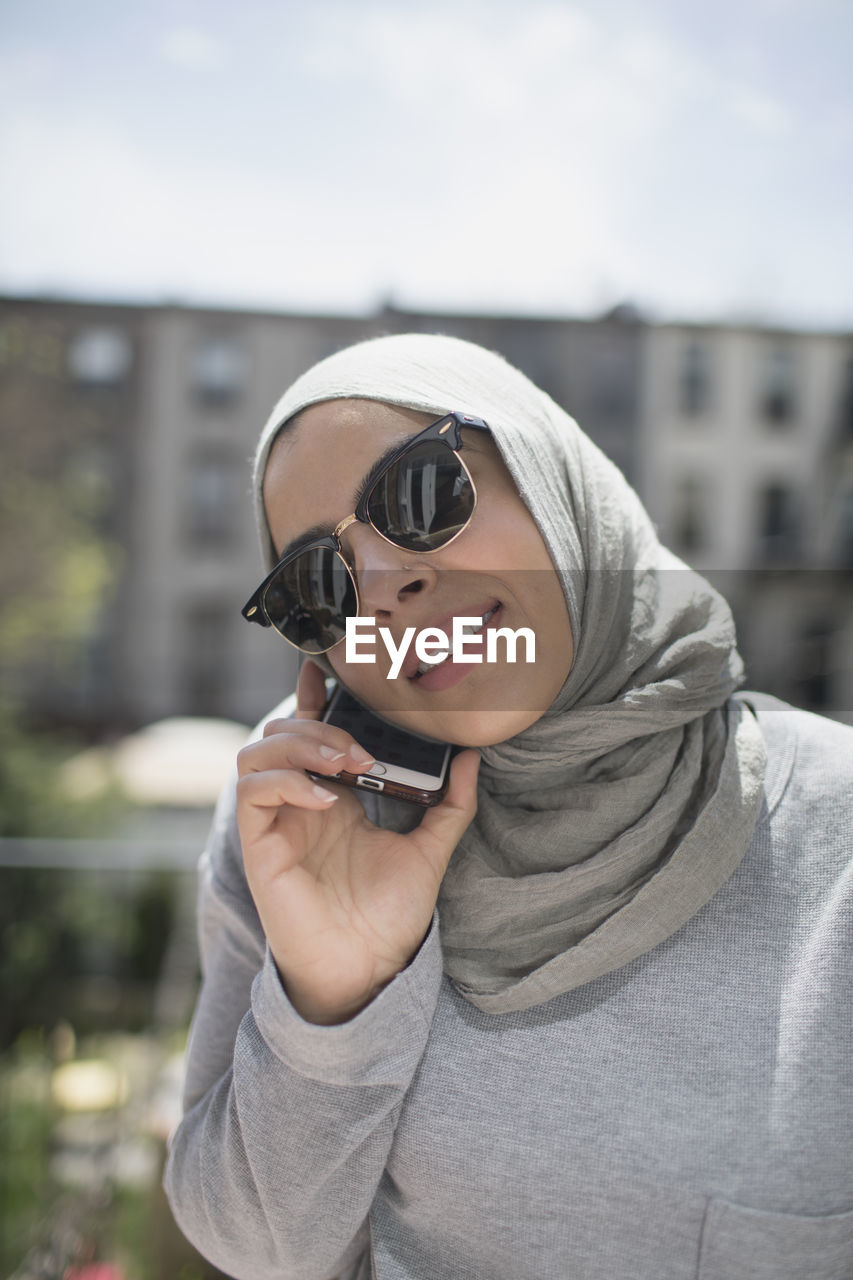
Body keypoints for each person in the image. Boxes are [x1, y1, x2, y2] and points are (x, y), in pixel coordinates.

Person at [163, 334, 853, 1280]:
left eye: (417, 497)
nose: (385, 596)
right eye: (320, 585)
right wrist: (332, 996)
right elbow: (252, 1249)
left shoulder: (835, 830)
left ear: (550, 479)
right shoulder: (304, 820)